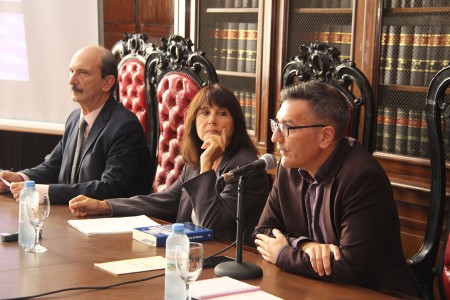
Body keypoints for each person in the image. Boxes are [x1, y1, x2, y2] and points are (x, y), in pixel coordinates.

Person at [253, 81, 419, 297]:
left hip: (373, 292)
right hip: (314, 287)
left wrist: (284, 253)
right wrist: (305, 245)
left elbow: (352, 267)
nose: (275, 137)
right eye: (277, 125)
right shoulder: (289, 167)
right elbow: (262, 233)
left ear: (325, 136)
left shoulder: (362, 177)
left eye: (287, 128)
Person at [69, 83, 269, 246]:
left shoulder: (245, 167)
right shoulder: (195, 163)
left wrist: (206, 164)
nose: (212, 121)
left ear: (236, 122)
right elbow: (163, 201)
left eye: (222, 113)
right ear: (194, 121)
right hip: (190, 253)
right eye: (205, 113)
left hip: (225, 262)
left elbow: (212, 225)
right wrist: (105, 206)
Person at [0, 45, 152, 204]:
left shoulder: (125, 127)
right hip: (71, 216)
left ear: (107, 83)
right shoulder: (74, 118)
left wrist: (45, 192)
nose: (71, 80)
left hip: (107, 222)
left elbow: (111, 188)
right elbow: (53, 166)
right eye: (71, 71)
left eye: (83, 73)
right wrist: (19, 177)